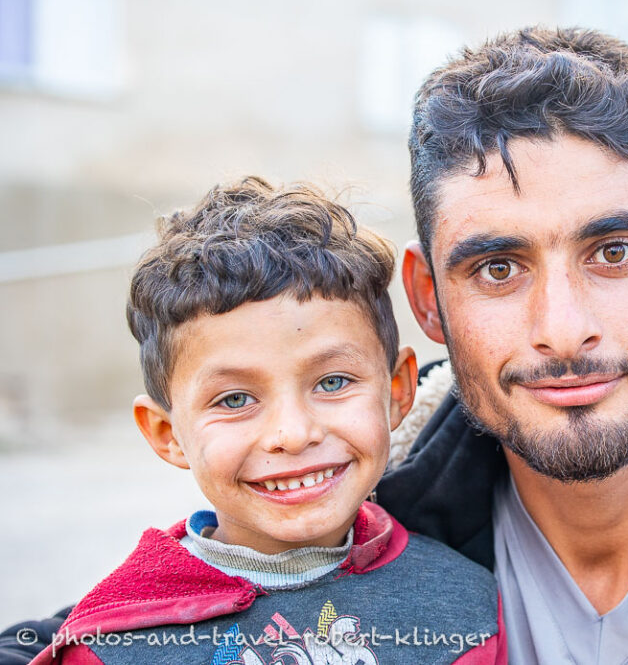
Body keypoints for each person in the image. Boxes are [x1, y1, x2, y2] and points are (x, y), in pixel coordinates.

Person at [1, 26, 628, 665]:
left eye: (614, 250)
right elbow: (145, 619)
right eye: (497, 268)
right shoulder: (349, 498)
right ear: (427, 304)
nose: (561, 326)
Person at [23, 177, 505, 665]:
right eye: (234, 399)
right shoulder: (113, 643)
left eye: (333, 382)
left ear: (397, 390)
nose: (294, 435)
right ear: (167, 434)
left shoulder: (463, 609)